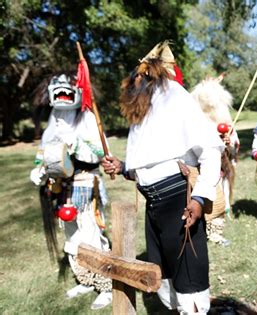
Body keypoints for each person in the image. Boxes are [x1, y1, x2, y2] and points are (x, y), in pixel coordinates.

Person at [101, 41, 223, 314]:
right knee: (165, 277)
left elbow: (210, 151)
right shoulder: (143, 109)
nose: (139, 79)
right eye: (138, 74)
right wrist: (122, 167)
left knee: (189, 282)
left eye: (145, 74)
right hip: (153, 206)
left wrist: (200, 199)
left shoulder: (176, 96)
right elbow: (149, 162)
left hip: (178, 204)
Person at [30, 73, 112, 309]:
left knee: (91, 234)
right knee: (72, 236)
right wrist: (39, 170)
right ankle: (86, 279)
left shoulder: (87, 117)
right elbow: (44, 152)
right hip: (61, 187)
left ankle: (105, 285)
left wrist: (78, 144)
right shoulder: (55, 119)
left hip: (85, 183)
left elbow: (100, 151)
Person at [190, 74, 238, 244]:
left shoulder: (225, 121)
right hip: (199, 167)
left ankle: (216, 230)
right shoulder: (197, 122)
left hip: (220, 166)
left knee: (220, 195)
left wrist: (228, 141)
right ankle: (202, 226)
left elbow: (233, 145)